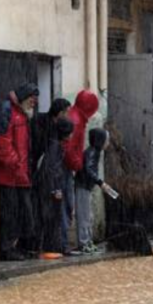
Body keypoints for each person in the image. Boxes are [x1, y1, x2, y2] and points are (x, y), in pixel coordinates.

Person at [0, 82, 38, 261]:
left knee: (23, 213)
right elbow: (2, 143)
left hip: (20, 174)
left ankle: (18, 246)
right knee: (10, 214)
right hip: (10, 175)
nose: (34, 102)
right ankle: (7, 248)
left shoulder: (22, 114)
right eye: (31, 99)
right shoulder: (8, 111)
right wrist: (16, 164)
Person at [62, 89, 100, 253]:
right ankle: (65, 244)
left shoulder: (74, 116)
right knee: (68, 206)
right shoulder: (77, 121)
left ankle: (64, 244)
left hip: (68, 168)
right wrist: (77, 165)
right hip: (68, 169)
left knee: (68, 206)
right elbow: (71, 148)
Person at [33, 118, 74, 256]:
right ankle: (51, 246)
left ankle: (51, 246)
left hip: (48, 187)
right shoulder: (55, 147)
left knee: (50, 217)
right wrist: (54, 189)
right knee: (50, 217)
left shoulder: (54, 145)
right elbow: (51, 171)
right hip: (48, 188)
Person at [75, 128, 114, 253]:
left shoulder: (94, 152)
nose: (107, 142)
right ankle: (84, 243)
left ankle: (87, 241)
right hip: (83, 186)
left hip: (86, 186)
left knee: (87, 215)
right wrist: (101, 183)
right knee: (84, 216)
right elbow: (89, 170)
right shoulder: (92, 152)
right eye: (106, 140)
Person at [31, 98, 71, 167]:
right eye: (67, 112)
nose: (68, 115)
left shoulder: (59, 125)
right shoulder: (38, 120)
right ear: (60, 113)